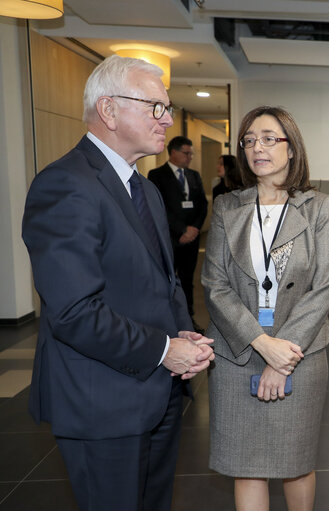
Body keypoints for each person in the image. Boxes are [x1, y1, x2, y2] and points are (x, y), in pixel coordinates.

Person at [21, 55, 215, 510]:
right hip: (103, 400)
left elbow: (160, 282)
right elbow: (74, 312)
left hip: (158, 391)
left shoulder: (142, 187)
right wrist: (166, 350)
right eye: (156, 107)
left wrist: (181, 331)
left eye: (165, 108)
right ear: (108, 110)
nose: (167, 119)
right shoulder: (65, 185)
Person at [201, 106, 329, 511]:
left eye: (268, 138)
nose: (256, 148)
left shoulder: (319, 207)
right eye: (248, 140)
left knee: (296, 461)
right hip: (238, 350)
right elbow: (215, 285)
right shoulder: (228, 207)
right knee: (246, 466)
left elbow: (323, 285)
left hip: (300, 352)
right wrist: (263, 343)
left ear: (291, 147)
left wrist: (283, 355)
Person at [148, 136, 208, 327]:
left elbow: (202, 205)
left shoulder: (193, 175)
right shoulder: (156, 175)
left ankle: (188, 318)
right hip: (170, 239)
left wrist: (195, 228)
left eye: (191, 153)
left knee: (188, 279)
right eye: (186, 153)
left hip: (192, 240)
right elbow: (159, 208)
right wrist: (182, 230)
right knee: (168, 279)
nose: (189, 157)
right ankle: (169, 320)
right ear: (173, 152)